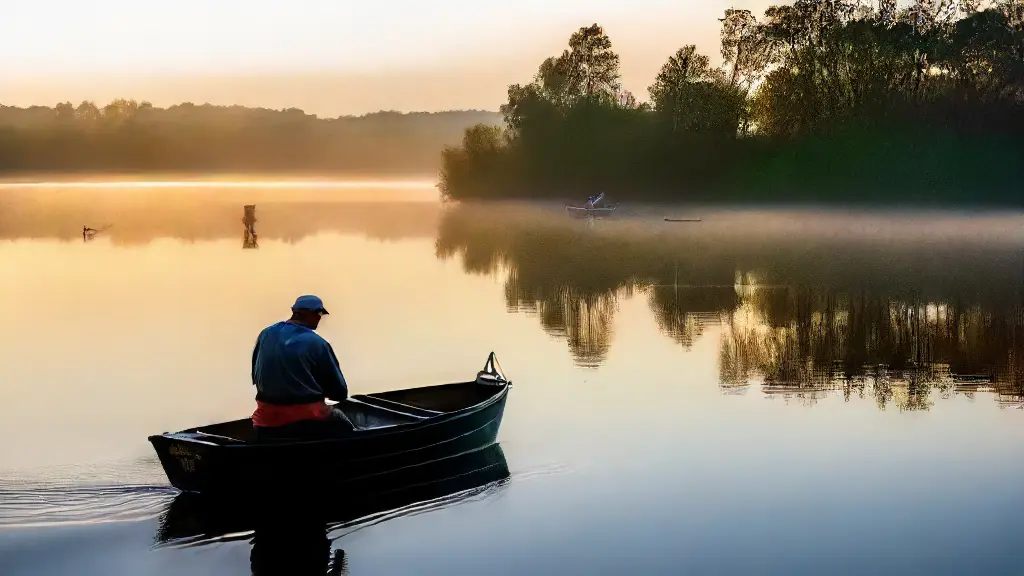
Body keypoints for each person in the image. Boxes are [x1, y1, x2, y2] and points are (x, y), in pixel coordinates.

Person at [251, 295, 354, 440]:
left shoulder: (266, 334)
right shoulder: (317, 343)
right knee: (345, 425)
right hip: (305, 417)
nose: (319, 319)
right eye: (319, 314)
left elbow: (256, 377)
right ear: (308, 313)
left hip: (265, 418)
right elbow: (339, 393)